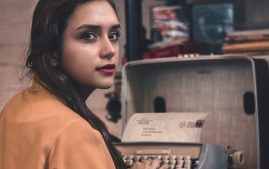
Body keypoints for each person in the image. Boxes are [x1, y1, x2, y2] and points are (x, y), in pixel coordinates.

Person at [0, 0, 167, 169]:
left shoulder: (14, 107)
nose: (110, 50)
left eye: (113, 35)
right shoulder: (75, 134)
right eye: (88, 35)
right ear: (52, 51)